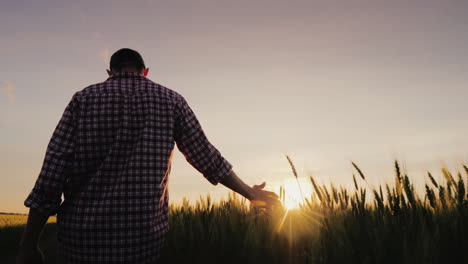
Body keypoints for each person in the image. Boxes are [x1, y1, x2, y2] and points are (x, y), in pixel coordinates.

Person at [16, 48, 280, 263]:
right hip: (142, 242)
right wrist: (251, 193)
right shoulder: (171, 100)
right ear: (146, 71)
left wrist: (29, 244)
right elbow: (205, 156)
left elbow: (52, 172)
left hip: (81, 241)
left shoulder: (82, 100)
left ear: (110, 72)